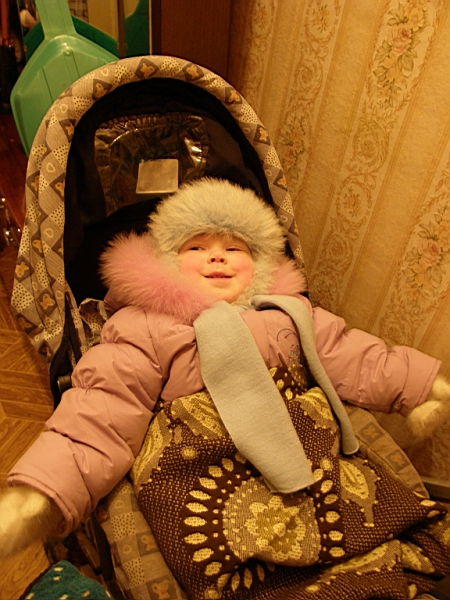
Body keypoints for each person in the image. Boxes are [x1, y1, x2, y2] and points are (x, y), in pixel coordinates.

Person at [0, 177, 449, 566]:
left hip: (302, 447)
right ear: (166, 262)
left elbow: (352, 355)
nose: (217, 258)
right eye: (196, 248)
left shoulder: (288, 313)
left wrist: (421, 385)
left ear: (261, 263)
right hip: (204, 466)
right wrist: (41, 493)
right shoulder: (147, 326)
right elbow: (104, 406)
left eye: (234, 248)